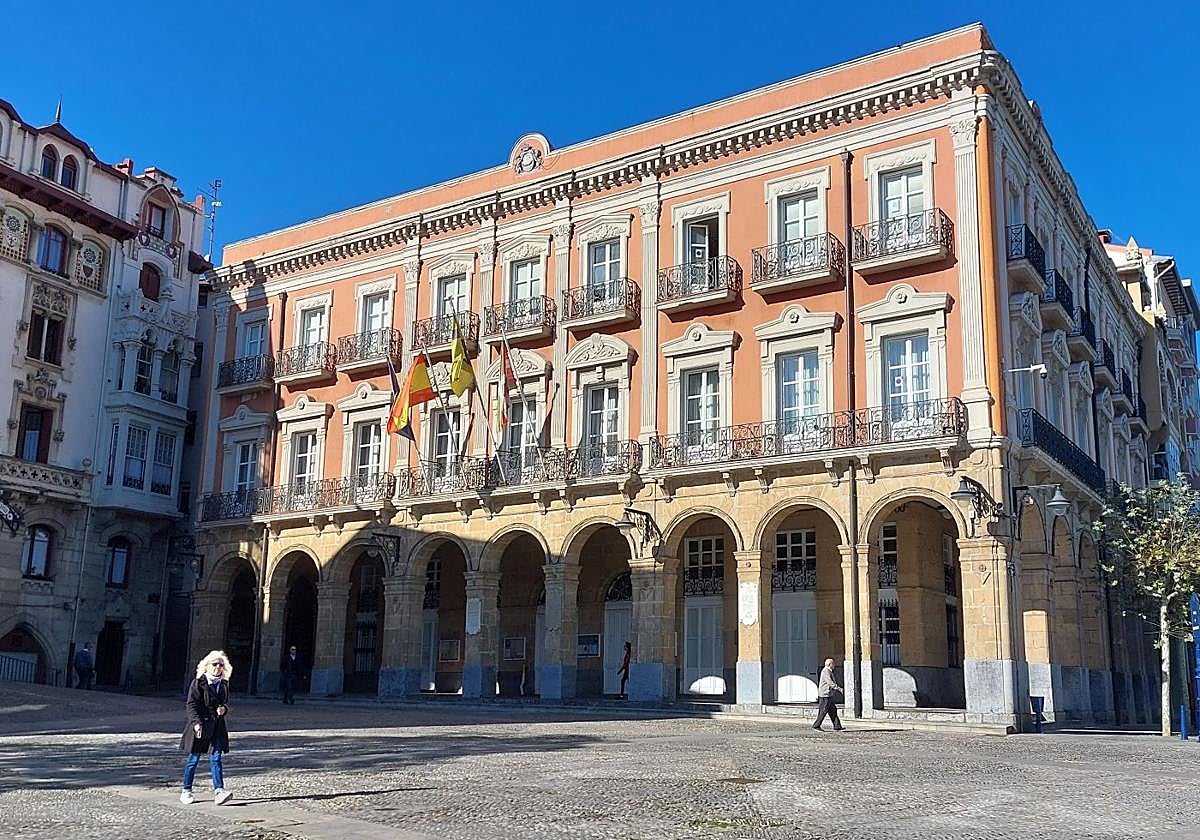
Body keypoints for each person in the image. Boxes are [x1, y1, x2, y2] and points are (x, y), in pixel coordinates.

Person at [179, 650, 233, 805]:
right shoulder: (198, 682)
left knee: (216, 758)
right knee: (193, 759)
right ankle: (186, 790)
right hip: (200, 726)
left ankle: (219, 791)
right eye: (214, 664)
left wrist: (224, 710)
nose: (218, 667)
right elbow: (191, 705)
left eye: (221, 665)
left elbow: (224, 704)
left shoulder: (223, 684)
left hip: (216, 726)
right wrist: (196, 723)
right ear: (207, 665)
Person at [812, 657, 844, 732]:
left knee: (833, 710)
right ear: (830, 664)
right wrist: (839, 689)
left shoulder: (829, 671)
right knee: (823, 711)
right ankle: (816, 726)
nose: (834, 665)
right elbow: (830, 682)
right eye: (833, 663)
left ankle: (837, 726)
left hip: (829, 695)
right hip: (825, 695)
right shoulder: (826, 671)